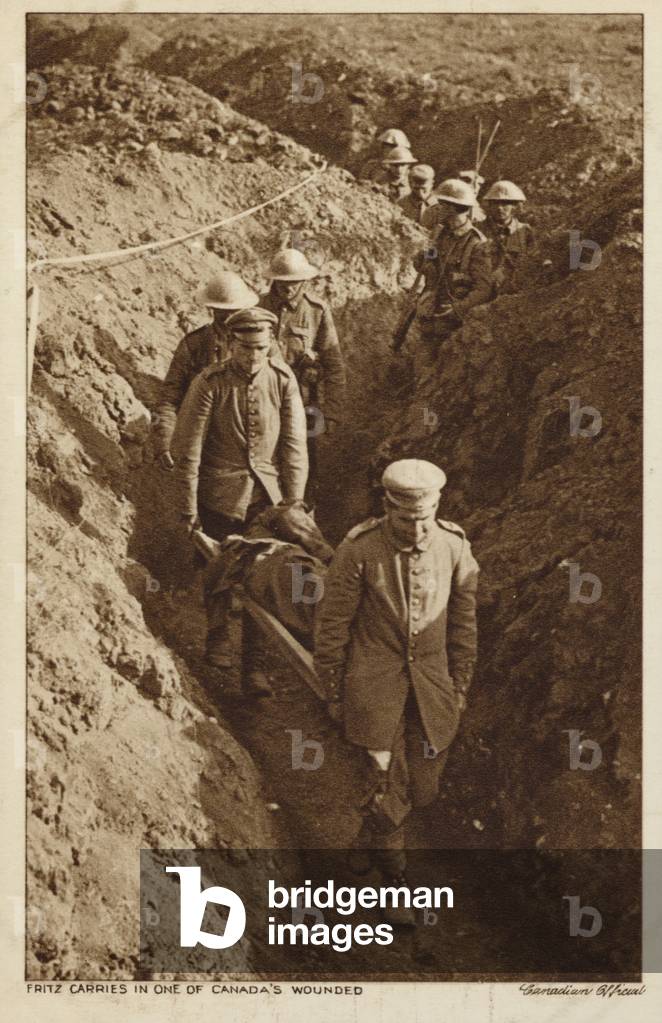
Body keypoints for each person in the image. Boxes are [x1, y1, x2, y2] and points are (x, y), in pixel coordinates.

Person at [314, 459, 479, 925]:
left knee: (422, 789)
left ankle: (362, 847)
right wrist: (333, 690)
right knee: (387, 784)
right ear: (388, 509)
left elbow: (465, 626)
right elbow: (332, 626)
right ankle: (394, 887)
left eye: (424, 517)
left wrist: (460, 685)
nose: (416, 528)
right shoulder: (359, 551)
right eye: (406, 519)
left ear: (437, 507)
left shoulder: (454, 547)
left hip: (433, 692)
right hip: (373, 690)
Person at [175, 307, 308, 696]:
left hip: (267, 496)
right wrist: (188, 509)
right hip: (219, 491)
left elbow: (294, 446)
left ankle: (255, 664)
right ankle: (217, 636)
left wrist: (294, 503)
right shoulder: (209, 383)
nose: (253, 358)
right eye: (246, 348)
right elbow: (189, 451)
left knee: (264, 575)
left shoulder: (283, 381)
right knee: (221, 562)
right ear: (231, 344)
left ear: (271, 347)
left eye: (261, 349)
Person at [260, 248, 346, 498]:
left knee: (307, 456)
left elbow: (333, 364)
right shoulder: (259, 306)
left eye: (294, 282)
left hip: (305, 400)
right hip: (267, 396)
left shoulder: (317, 311)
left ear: (304, 281)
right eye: (282, 282)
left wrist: (333, 412)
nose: (287, 288)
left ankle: (306, 509)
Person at [152, 272, 258, 471]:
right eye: (221, 310)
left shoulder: (261, 346)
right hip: (202, 445)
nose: (227, 317)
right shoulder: (193, 346)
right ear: (211, 309)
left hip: (248, 446)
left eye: (233, 310)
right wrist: (165, 440)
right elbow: (168, 398)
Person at [409, 178, 493, 385]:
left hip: (455, 325)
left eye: (443, 204)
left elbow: (484, 289)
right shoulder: (440, 235)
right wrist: (421, 262)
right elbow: (430, 270)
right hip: (431, 317)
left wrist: (458, 309)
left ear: (455, 208)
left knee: (448, 381)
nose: (438, 208)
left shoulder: (477, 244)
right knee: (422, 375)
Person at [482, 180, 536, 294]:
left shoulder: (525, 231)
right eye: (495, 203)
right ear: (489, 205)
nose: (499, 208)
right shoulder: (478, 230)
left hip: (513, 294)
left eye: (505, 203)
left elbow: (532, 264)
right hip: (481, 292)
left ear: (514, 206)